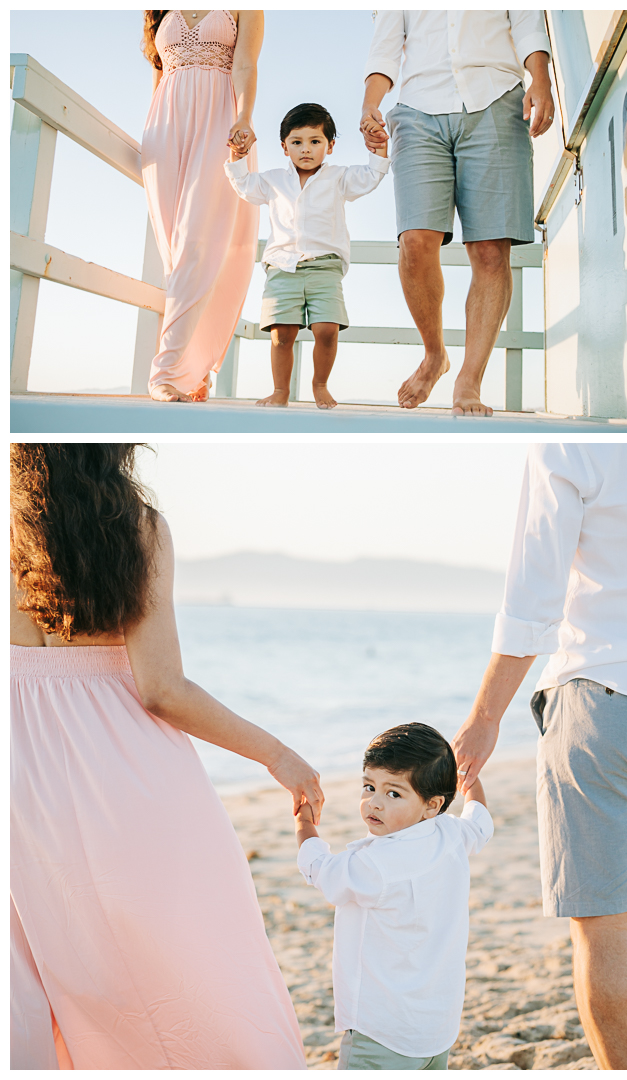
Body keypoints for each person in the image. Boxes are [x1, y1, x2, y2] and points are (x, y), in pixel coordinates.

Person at [10, 443, 321, 1069]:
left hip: (20, 778)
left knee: (50, 962)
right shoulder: (138, 527)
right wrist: (277, 754)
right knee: (196, 955)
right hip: (127, 768)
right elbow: (161, 689)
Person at [452, 443, 627, 1070]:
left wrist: (485, 718)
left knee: (602, 925)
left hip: (604, 696)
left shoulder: (569, 441)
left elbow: (531, 598)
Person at [360, 11, 554, 415]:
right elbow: (384, 48)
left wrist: (541, 79)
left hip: (496, 100)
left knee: (489, 251)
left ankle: (469, 380)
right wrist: (370, 106)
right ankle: (435, 355)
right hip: (417, 109)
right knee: (414, 241)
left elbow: (528, 23)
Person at [295, 723, 493, 1069]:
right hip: (436, 1028)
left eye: (394, 794)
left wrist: (304, 823)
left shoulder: (375, 865)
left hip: (382, 1032)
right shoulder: (451, 833)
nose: (374, 803)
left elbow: (322, 872)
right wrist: (471, 781)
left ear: (432, 805)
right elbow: (480, 823)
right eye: (369, 786)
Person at [225, 102, 390, 409]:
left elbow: (370, 176)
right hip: (281, 267)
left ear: (330, 146)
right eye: (297, 142)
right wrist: (238, 156)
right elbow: (245, 185)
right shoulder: (273, 180)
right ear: (285, 147)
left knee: (327, 329)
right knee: (281, 334)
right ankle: (280, 391)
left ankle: (320, 384)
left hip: (324, 267)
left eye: (315, 142)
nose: (306, 149)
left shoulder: (339, 178)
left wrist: (379, 147)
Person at [141, 10, 263, 402]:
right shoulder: (158, 8)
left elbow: (245, 63)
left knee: (198, 240)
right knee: (175, 251)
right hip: (165, 126)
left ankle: (167, 372)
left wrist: (244, 117)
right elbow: (159, 78)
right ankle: (194, 367)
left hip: (220, 120)